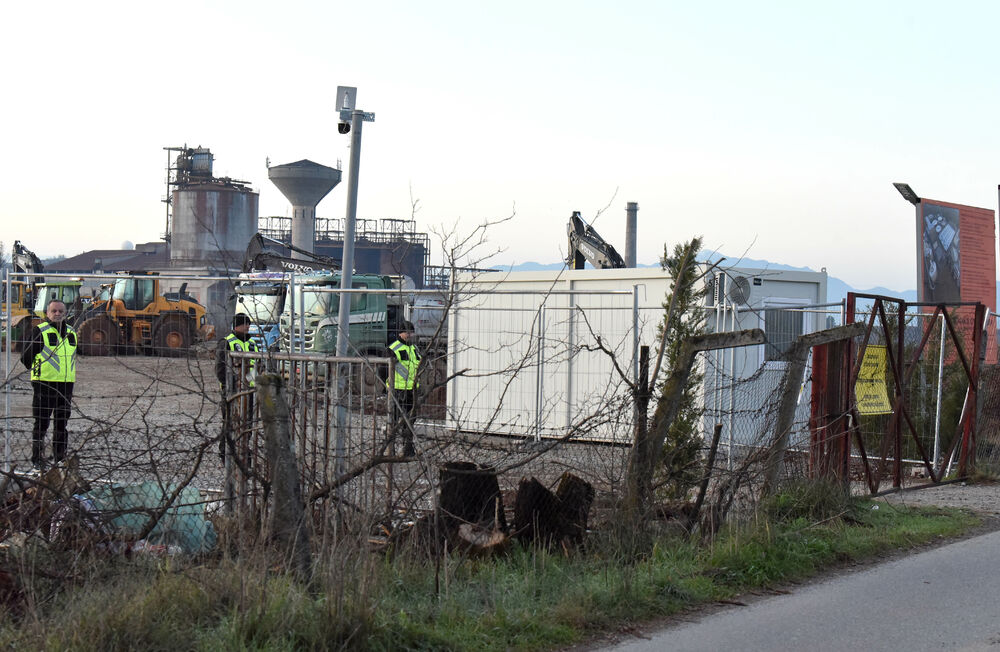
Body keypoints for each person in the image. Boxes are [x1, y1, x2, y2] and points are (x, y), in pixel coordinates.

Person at [20, 300, 78, 470]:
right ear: (47, 313)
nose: (58, 314)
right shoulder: (40, 331)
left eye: (61, 311)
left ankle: (59, 457)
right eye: (54, 311)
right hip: (44, 384)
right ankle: (37, 459)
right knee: (41, 423)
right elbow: (26, 357)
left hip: (66, 385)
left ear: (65, 313)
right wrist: (38, 373)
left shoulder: (71, 332)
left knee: (61, 423)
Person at [216, 313, 259, 462]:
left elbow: (256, 366)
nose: (247, 326)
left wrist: (249, 382)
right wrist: (232, 384)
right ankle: (225, 454)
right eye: (244, 323)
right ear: (236, 326)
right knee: (229, 423)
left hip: (248, 390)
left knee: (247, 424)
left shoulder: (253, 343)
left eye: (248, 323)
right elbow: (220, 369)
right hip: (231, 391)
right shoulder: (227, 342)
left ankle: (244, 454)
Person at [386, 320, 421, 456]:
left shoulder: (414, 348)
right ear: (401, 333)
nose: (410, 335)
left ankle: (407, 448)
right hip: (397, 390)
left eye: (411, 332)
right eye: (408, 332)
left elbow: (418, 365)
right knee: (394, 420)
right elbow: (385, 369)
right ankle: (390, 448)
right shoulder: (393, 348)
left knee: (411, 419)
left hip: (412, 390)